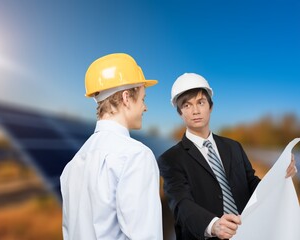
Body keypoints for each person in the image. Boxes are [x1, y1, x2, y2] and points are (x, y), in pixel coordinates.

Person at [157, 73, 297, 240]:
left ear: (210, 106)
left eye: (200, 102)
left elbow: (252, 184)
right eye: (187, 105)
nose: (195, 111)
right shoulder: (170, 159)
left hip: (247, 233)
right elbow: (181, 204)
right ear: (179, 112)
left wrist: (280, 176)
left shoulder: (233, 146)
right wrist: (213, 225)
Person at [60, 53, 163, 240]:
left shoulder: (71, 167)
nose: (145, 107)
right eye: (142, 98)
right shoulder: (136, 156)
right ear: (126, 97)